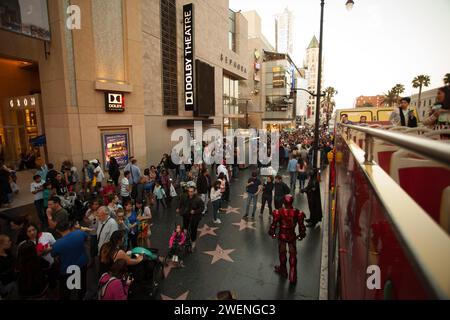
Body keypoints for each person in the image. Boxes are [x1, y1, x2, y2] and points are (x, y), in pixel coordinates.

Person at [268, 195, 306, 284]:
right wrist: (301, 235)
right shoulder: (298, 212)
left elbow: (273, 225)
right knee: (293, 255)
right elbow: (301, 227)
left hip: (282, 236)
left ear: (284, 202)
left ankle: (283, 270)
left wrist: (272, 233)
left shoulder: (278, 212)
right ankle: (293, 275)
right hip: (292, 236)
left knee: (282, 253)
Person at [51, 222, 88, 300]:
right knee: (82, 284)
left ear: (58, 230)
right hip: (82, 264)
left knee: (66, 290)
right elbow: (86, 239)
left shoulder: (58, 244)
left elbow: (53, 254)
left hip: (68, 268)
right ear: (69, 227)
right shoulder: (79, 233)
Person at [0, 234, 17, 299]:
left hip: (14, 280)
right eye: (8, 241)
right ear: (1, 244)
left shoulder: (8, 252)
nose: (10, 242)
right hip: (7, 285)